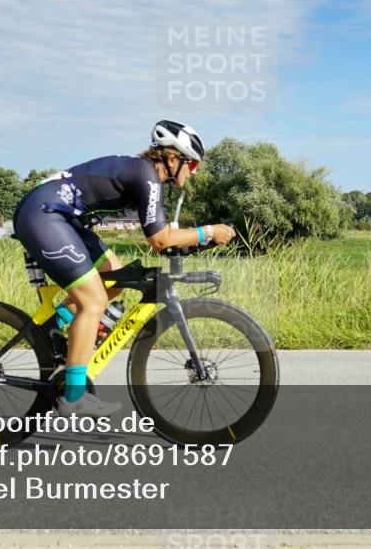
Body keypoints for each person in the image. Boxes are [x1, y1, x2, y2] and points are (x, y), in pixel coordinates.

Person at [12, 120, 236, 418]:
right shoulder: (146, 176)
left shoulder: (145, 176)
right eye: (191, 163)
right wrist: (208, 232)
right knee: (93, 301)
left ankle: (53, 327)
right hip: (44, 214)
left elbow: (164, 234)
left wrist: (195, 239)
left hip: (65, 218)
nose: (194, 170)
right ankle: (73, 397)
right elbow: (159, 240)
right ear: (171, 158)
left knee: (115, 278)